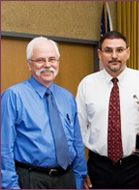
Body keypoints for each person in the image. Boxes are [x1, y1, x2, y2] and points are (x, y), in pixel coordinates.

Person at [1, 36, 88, 189]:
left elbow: (77, 142)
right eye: (40, 60)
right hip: (32, 179)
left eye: (52, 59)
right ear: (29, 64)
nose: (47, 65)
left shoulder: (67, 97)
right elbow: (4, 147)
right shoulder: (13, 96)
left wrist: (79, 178)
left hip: (67, 179)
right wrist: (10, 186)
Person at [76, 31, 139, 188]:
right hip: (98, 167)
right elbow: (78, 131)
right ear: (99, 54)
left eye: (119, 50)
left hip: (136, 166)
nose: (114, 56)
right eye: (108, 50)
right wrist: (81, 170)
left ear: (128, 52)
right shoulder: (87, 84)